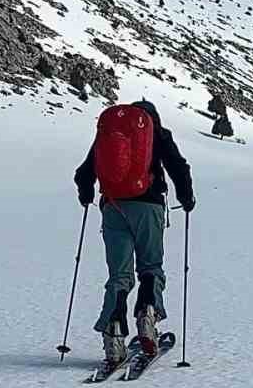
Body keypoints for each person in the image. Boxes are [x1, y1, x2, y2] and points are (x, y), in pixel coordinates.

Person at [74, 98, 195, 368]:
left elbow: (84, 172)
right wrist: (186, 198)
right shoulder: (157, 133)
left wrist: (86, 195)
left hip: (113, 207)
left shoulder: (112, 132)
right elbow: (179, 166)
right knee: (150, 266)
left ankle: (113, 334)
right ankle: (148, 315)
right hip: (149, 207)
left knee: (119, 275)